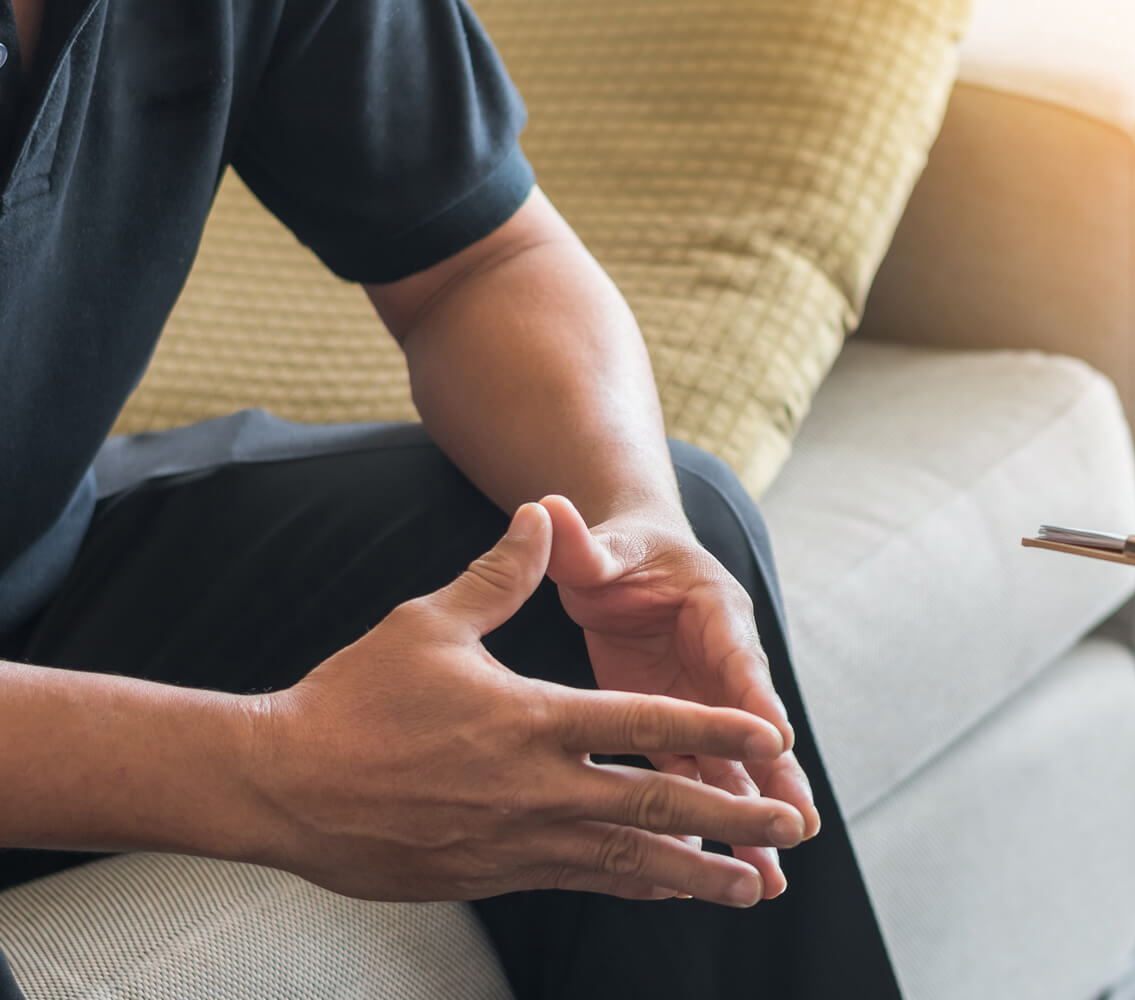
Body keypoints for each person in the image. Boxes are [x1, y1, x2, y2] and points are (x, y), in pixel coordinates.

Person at [0, 0, 901, 997]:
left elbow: (478, 261)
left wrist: (631, 516)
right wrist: (266, 770)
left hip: (33, 564)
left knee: (615, 562)